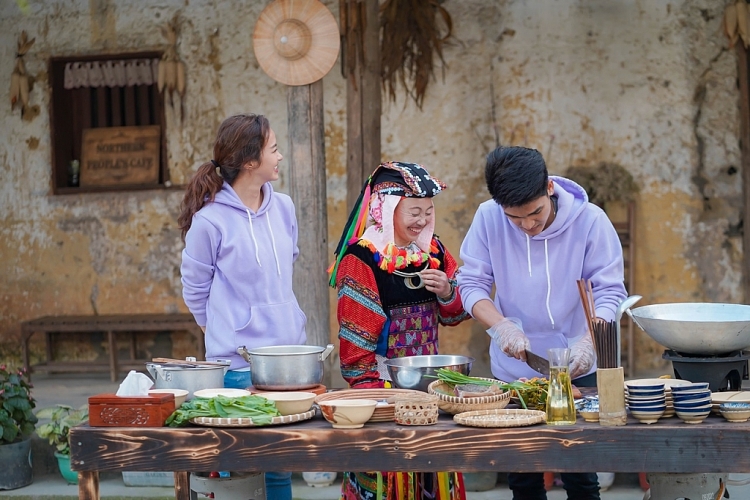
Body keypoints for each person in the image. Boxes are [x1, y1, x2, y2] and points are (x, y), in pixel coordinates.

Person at [457, 146, 627, 500]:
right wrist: (501, 326)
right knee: (523, 476)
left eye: (535, 213)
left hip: (578, 362)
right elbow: (471, 285)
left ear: (549, 187)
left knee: (580, 474)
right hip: (516, 365)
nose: (528, 226)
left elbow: (610, 292)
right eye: (516, 219)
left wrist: (589, 341)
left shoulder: (591, 221)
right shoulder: (488, 219)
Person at [178, 113, 305, 500]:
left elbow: (287, 267)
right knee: (243, 474)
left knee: (281, 469)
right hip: (237, 368)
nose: (280, 157)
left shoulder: (284, 208)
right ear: (250, 161)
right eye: (274, 149)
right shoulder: (210, 222)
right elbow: (195, 291)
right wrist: (223, 331)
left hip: (287, 363)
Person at [329, 161, 469, 500]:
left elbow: (455, 314)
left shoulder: (433, 251)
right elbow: (356, 349)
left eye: (428, 211)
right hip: (385, 393)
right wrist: (381, 402)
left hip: (433, 390)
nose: (422, 220)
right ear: (386, 208)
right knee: (389, 481)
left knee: (434, 476)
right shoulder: (361, 259)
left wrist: (448, 291)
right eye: (414, 212)